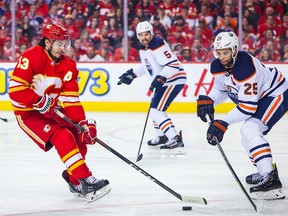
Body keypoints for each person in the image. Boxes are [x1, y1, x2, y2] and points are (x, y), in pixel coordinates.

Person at [8, 23, 110, 202]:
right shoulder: (31, 56)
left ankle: (74, 181)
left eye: (65, 44)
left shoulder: (69, 66)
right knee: (62, 135)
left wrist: (82, 123)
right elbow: (15, 90)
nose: (63, 48)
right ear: (48, 42)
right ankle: (86, 179)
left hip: (51, 109)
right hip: (29, 113)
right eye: (59, 44)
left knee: (78, 137)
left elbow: (71, 100)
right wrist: (39, 101)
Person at [197, 31, 287, 200]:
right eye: (219, 52)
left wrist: (222, 122)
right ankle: (264, 172)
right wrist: (209, 99)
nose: (221, 57)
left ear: (235, 49)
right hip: (260, 97)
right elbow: (222, 90)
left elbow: (248, 107)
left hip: (276, 94)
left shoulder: (246, 67)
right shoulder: (217, 66)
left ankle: (271, 178)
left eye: (226, 52)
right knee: (246, 136)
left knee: (250, 130)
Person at [118, 21, 187, 155]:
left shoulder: (157, 44)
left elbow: (173, 65)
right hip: (165, 81)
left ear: (151, 33)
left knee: (156, 110)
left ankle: (174, 138)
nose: (144, 37)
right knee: (154, 109)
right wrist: (133, 74)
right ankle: (162, 136)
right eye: (141, 35)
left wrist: (161, 77)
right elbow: (147, 65)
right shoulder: (143, 47)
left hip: (173, 80)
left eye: (146, 34)